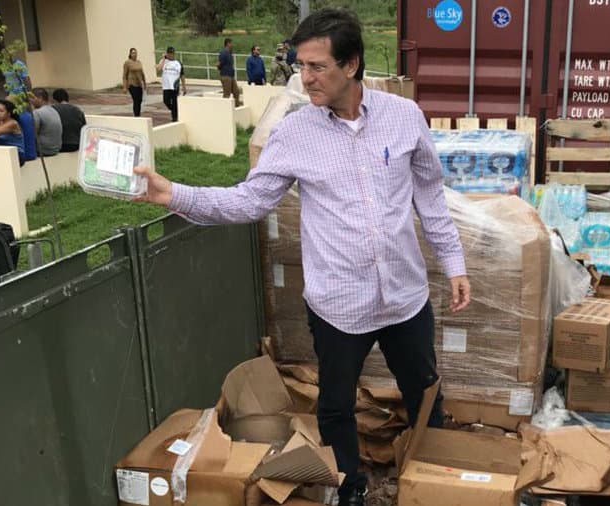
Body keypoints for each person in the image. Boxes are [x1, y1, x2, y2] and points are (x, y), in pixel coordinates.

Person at [133, 10, 470, 506]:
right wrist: (173, 195)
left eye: (316, 66)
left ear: (350, 64)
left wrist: (455, 263)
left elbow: (431, 199)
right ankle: (349, 487)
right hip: (339, 306)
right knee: (335, 406)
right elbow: (249, 201)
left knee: (424, 393)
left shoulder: (404, 119)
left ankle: (428, 480)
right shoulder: (295, 133)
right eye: (300, 65)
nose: (304, 77)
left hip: (405, 298)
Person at [29, 87, 62, 156]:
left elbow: (33, 133)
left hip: (44, 150)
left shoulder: (37, 113)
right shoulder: (54, 110)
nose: (30, 101)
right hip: (56, 149)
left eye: (32, 98)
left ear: (40, 98)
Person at [157, 47, 186, 122]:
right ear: (167, 53)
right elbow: (159, 69)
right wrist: (163, 58)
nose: (170, 55)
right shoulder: (163, 61)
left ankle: (174, 117)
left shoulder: (178, 63)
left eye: (172, 53)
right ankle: (174, 111)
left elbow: (182, 75)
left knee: (174, 102)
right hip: (166, 86)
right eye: (169, 53)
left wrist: (184, 86)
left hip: (174, 86)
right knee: (166, 101)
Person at [123, 47, 148, 117]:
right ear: (130, 54)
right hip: (132, 84)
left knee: (139, 100)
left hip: (139, 84)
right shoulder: (127, 63)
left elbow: (142, 73)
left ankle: (138, 114)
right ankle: (136, 116)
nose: (135, 54)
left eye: (136, 53)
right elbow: (124, 75)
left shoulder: (139, 62)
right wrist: (124, 87)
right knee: (136, 100)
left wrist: (145, 83)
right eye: (133, 53)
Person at [218, 37, 241, 105]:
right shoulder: (223, 53)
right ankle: (225, 108)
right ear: (228, 44)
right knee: (227, 94)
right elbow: (220, 64)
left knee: (236, 92)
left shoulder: (230, 53)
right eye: (231, 43)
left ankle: (237, 106)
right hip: (225, 75)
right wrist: (219, 66)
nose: (232, 45)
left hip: (231, 76)